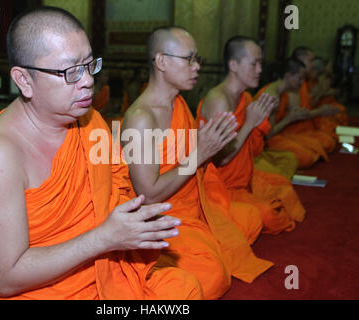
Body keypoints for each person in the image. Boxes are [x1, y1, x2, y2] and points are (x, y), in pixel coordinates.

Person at [0, 7, 203, 300]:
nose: (87, 80)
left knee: (187, 289)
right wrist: (104, 238)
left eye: (89, 65)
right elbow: (4, 278)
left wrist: (128, 229)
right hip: (26, 290)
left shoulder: (89, 120)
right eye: (71, 71)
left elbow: (117, 189)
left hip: (95, 267)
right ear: (23, 80)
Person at [121, 27, 273, 299]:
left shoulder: (178, 103)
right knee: (213, 274)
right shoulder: (141, 118)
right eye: (189, 59)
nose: (196, 67)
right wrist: (200, 154)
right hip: (163, 220)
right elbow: (149, 193)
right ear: (161, 61)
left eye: (197, 60)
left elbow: (197, 167)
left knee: (248, 221)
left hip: (197, 208)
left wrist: (209, 147)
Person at [197, 36, 306, 236]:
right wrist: (250, 123)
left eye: (260, 63)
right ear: (234, 65)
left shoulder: (246, 98)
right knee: (267, 214)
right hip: (218, 187)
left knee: (285, 192)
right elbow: (220, 158)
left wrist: (258, 124)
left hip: (243, 180)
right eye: (254, 63)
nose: (260, 70)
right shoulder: (218, 100)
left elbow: (254, 150)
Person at [255, 58, 328, 169]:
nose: (302, 82)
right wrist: (289, 119)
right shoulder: (272, 95)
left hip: (276, 136)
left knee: (313, 147)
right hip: (263, 143)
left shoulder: (282, 92)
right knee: (303, 157)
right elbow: (268, 134)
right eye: (300, 78)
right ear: (288, 76)